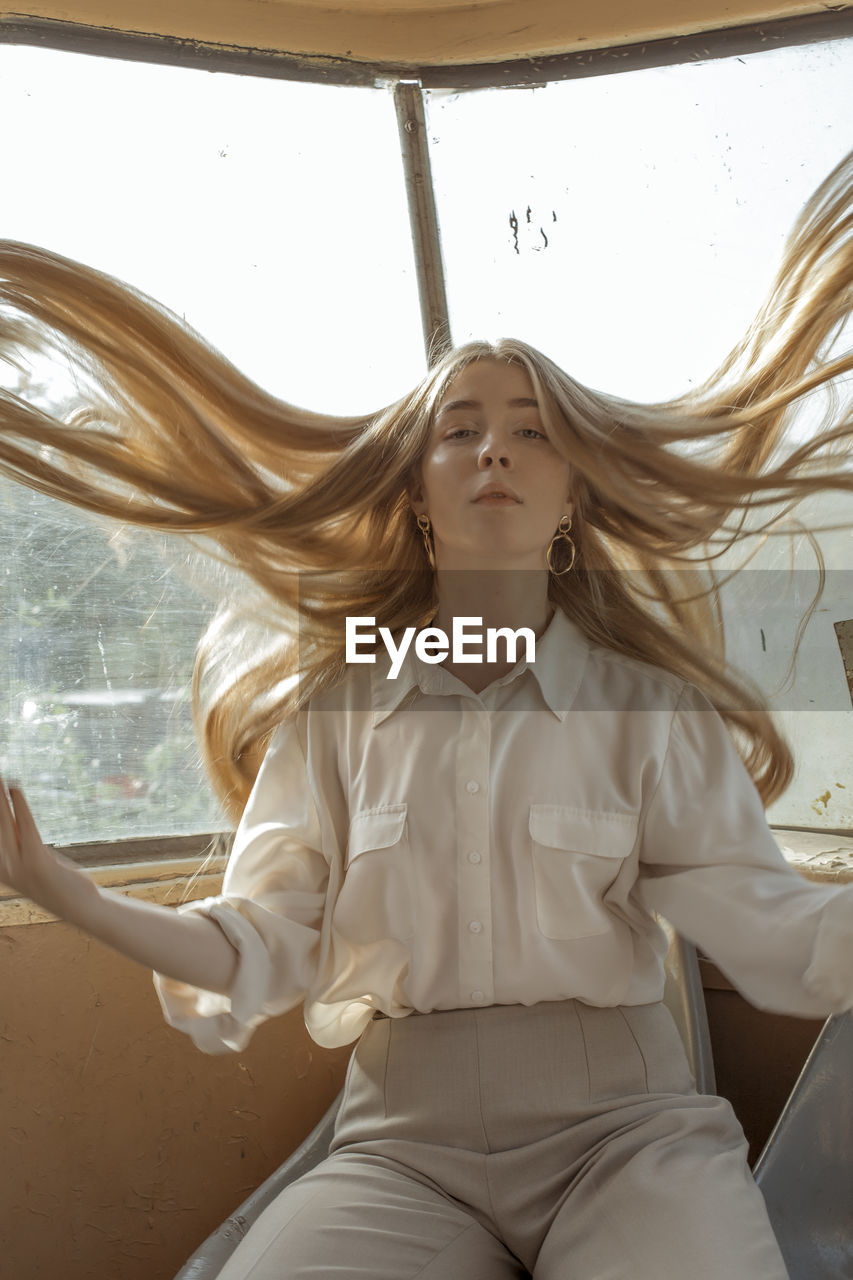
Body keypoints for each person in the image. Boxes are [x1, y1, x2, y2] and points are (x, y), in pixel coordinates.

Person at [1, 150, 853, 1279]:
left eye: (532, 430)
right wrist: (67, 892)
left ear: (570, 498)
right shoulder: (337, 715)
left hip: (628, 1135)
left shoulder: (648, 711)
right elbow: (258, 942)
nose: (493, 445)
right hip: (401, 1147)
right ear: (414, 494)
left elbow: (777, 933)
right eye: (458, 428)